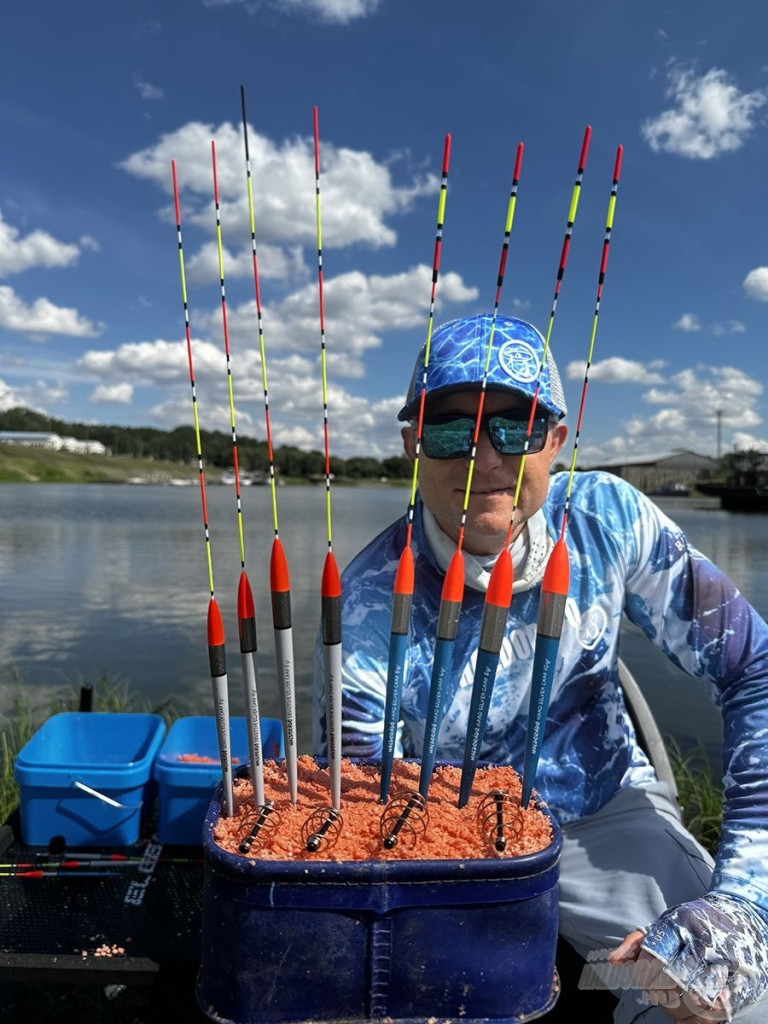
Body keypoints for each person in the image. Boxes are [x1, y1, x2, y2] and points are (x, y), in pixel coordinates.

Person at [312, 313, 768, 1023]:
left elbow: (755, 668)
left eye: (516, 427)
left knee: (719, 999)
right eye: (449, 430)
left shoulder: (608, 519)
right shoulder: (365, 604)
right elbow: (365, 799)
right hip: (443, 842)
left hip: (606, 812)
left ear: (554, 440)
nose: (484, 458)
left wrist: (746, 898)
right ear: (412, 445)